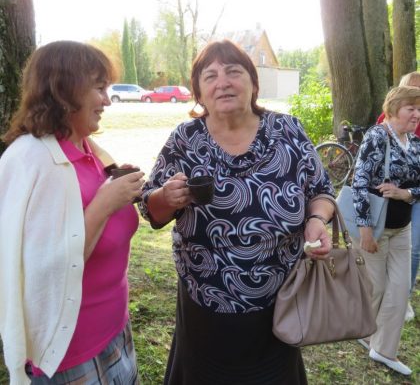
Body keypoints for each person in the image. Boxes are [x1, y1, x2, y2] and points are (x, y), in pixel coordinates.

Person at [139, 39, 335, 385]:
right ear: (199, 92)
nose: (223, 82)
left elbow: (320, 190)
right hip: (205, 304)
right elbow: (151, 210)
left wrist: (317, 219)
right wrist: (166, 197)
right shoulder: (185, 139)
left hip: (280, 300)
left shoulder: (288, 131)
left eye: (233, 72)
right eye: (210, 76)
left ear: (253, 84)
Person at [0, 41, 144, 384]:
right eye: (99, 88)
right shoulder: (31, 159)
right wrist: (105, 203)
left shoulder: (88, 148)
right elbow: (46, 268)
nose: (108, 101)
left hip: (114, 329)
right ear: (64, 91)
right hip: (68, 353)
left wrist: (116, 186)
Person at [352, 86, 420, 375]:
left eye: (419, 109)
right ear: (393, 109)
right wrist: (365, 230)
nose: (417, 115)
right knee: (377, 287)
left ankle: (383, 350)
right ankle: (364, 331)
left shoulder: (414, 142)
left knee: (400, 289)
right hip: (374, 226)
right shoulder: (377, 136)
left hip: (402, 227)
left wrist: (407, 194)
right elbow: (359, 182)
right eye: (411, 108)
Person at [376, 71, 420, 322]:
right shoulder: (386, 122)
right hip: (388, 201)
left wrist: (408, 193)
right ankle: (385, 300)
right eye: (413, 90)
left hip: (414, 195)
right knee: (383, 251)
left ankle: (403, 298)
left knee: (413, 248)